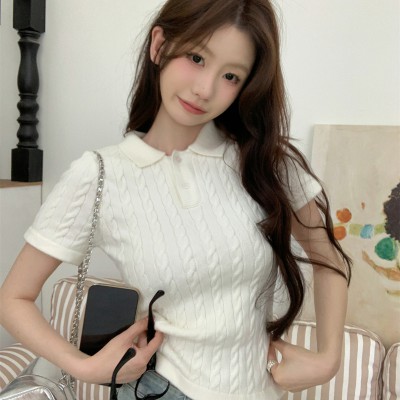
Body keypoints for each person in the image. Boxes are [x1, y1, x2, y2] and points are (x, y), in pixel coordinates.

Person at [0, 0, 352, 399]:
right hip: (162, 389)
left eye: (231, 76)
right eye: (196, 57)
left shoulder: (265, 163)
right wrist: (83, 365)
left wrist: (329, 358)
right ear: (159, 45)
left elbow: (328, 258)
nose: (205, 89)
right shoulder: (100, 175)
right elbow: (13, 298)